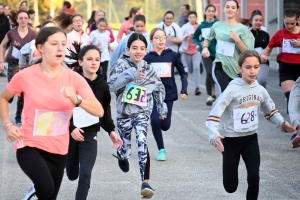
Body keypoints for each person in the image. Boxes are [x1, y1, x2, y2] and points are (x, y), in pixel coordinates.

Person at [0, 26, 104, 200]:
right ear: (40, 48)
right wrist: (7, 124)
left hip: (59, 149)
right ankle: (32, 192)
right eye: (54, 44)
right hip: (29, 145)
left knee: (48, 195)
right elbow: (3, 97)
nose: (60, 48)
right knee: (45, 186)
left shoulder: (74, 78)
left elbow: (99, 110)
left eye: (63, 44)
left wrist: (78, 100)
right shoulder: (25, 76)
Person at [206, 50, 295, 200]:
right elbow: (214, 114)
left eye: (256, 66)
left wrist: (282, 124)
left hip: (250, 139)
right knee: (230, 187)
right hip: (231, 140)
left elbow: (271, 111)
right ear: (239, 68)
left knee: (254, 176)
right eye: (248, 67)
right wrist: (214, 135)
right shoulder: (231, 90)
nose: (252, 71)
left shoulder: (260, 90)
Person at [108, 33, 167, 198]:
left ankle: (145, 182)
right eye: (134, 48)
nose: (138, 51)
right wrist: (129, 76)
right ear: (128, 49)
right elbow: (110, 86)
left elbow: (159, 87)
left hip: (142, 113)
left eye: (142, 48)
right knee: (125, 149)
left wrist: (162, 109)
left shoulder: (148, 68)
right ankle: (122, 156)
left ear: (147, 50)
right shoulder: (120, 65)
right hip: (124, 114)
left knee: (142, 141)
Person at [65, 44, 123, 200]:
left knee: (86, 172)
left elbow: (105, 111)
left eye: (97, 59)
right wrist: (71, 128)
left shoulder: (103, 85)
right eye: (89, 59)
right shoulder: (72, 82)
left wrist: (111, 130)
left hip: (90, 134)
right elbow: (62, 109)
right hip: (70, 134)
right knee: (71, 174)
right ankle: (69, 166)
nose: (94, 63)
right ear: (80, 62)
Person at [144, 28, 188, 161]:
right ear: (151, 41)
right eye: (157, 37)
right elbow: (140, 75)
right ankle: (161, 150)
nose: (160, 40)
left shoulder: (172, 55)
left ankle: (163, 123)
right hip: (152, 94)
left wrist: (184, 89)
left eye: (162, 37)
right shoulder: (147, 58)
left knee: (165, 125)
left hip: (168, 94)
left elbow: (182, 72)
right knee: (155, 121)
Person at [261, 8, 300, 147]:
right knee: (291, 97)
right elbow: (269, 47)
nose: (289, 26)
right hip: (286, 68)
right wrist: (263, 56)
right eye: (286, 23)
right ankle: (296, 132)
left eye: (291, 23)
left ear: (297, 20)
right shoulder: (280, 34)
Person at [202, 0, 254, 93]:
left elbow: (248, 52)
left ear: (237, 10)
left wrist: (238, 40)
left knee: (235, 96)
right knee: (225, 91)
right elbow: (208, 38)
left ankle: (218, 107)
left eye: (233, 8)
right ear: (223, 9)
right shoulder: (217, 25)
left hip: (236, 68)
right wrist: (205, 48)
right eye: (227, 7)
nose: (230, 9)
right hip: (220, 65)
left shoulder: (243, 29)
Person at [0, 10, 36, 125]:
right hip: (13, 62)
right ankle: (9, 95)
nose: (23, 20)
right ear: (17, 20)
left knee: (22, 91)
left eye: (25, 18)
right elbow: (2, 45)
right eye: (21, 18)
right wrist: (1, 61)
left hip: (26, 64)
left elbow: (38, 48)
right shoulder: (12, 33)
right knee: (12, 85)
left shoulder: (33, 34)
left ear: (28, 20)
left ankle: (18, 116)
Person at [193, 4, 218, 105]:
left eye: (213, 11)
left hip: (217, 53)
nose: (211, 13)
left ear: (215, 13)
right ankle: (209, 96)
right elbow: (195, 38)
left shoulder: (218, 24)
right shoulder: (201, 26)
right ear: (205, 12)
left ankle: (214, 92)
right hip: (205, 53)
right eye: (209, 11)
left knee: (216, 74)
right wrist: (200, 43)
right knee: (209, 73)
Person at [180, 11, 201, 95]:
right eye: (190, 17)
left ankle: (197, 88)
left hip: (196, 50)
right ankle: (185, 87)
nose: (192, 19)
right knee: (189, 70)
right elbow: (179, 36)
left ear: (196, 18)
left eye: (193, 17)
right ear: (188, 18)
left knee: (197, 68)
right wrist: (185, 36)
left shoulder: (199, 26)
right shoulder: (185, 27)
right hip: (187, 51)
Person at [249, 10, 270, 88]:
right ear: (251, 21)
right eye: (256, 20)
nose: (258, 22)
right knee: (251, 82)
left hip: (263, 61)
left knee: (262, 81)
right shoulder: (247, 33)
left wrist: (264, 56)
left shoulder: (266, 34)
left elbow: (268, 48)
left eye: (260, 21)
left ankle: (262, 97)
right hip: (250, 61)